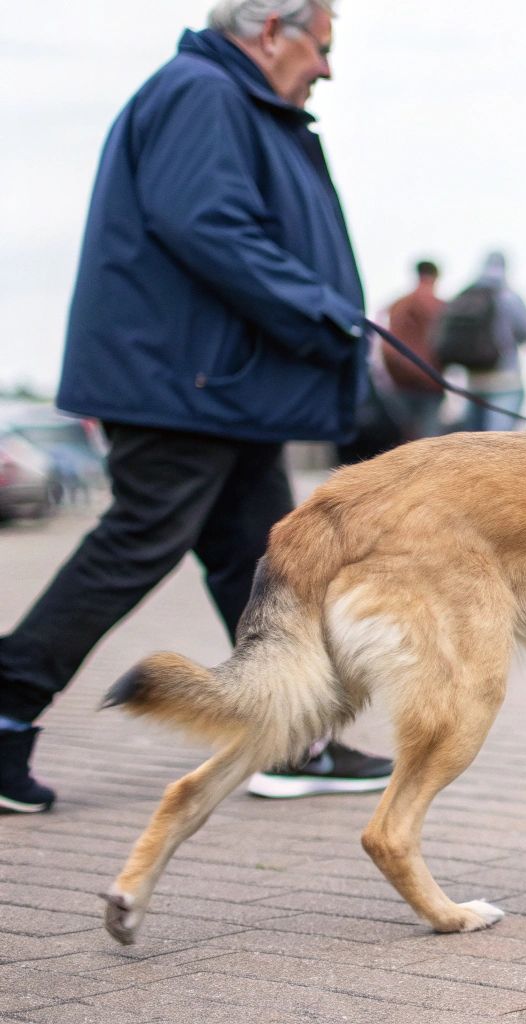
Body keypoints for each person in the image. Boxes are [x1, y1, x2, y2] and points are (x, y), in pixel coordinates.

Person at [0, 0, 392, 814]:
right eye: (321, 45)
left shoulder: (232, 100)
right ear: (271, 31)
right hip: (188, 384)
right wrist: (321, 311)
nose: (326, 66)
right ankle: (6, 705)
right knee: (141, 540)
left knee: (262, 561)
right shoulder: (201, 91)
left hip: (222, 387)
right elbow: (206, 223)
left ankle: (297, 738)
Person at [447, 251, 526, 432]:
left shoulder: (463, 295)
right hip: (504, 380)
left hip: (472, 382)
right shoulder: (509, 297)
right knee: (499, 444)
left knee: (474, 444)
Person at [378, 259, 448, 441]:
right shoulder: (439, 306)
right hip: (430, 381)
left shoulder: (397, 304)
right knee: (428, 440)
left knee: (403, 438)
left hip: (400, 380)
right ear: (436, 277)